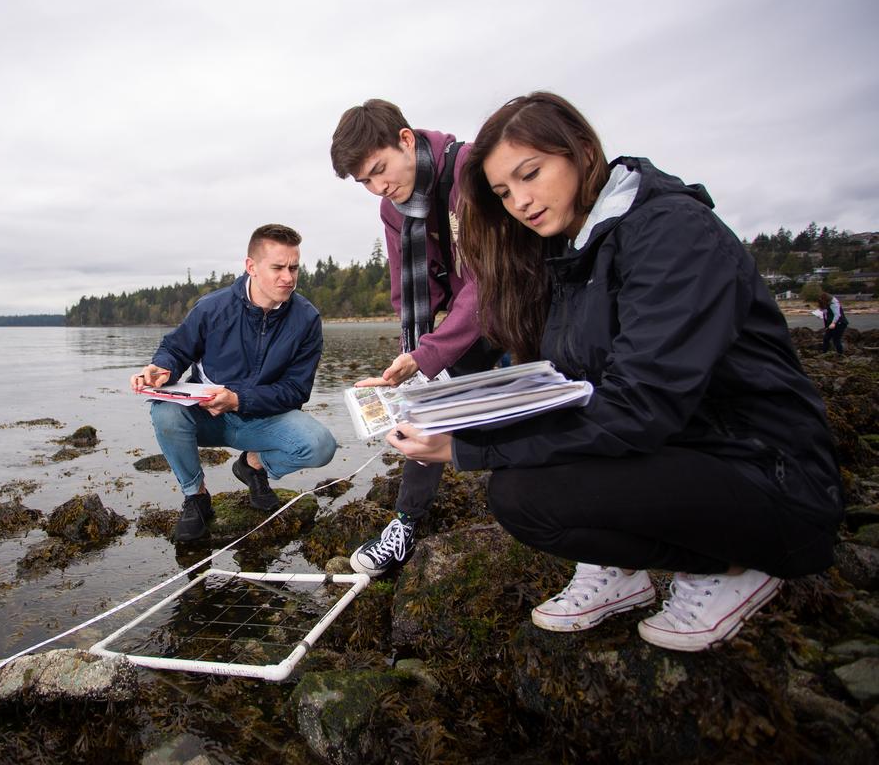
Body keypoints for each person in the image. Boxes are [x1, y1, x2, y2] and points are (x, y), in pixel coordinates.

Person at [388, 92, 843, 652]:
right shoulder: (574, 251)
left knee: (524, 495)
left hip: (766, 476)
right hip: (683, 450)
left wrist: (466, 450)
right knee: (519, 497)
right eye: (504, 193)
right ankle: (620, 572)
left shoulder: (670, 232)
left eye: (531, 174)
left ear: (581, 150)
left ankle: (736, 567)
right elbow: (566, 385)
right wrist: (459, 415)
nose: (521, 202)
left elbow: (636, 408)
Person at [330, 99, 500, 577]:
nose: (379, 187)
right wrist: (412, 357)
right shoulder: (393, 208)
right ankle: (404, 524)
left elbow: (487, 282)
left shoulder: (470, 170)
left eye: (380, 170)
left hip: (517, 301)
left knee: (543, 406)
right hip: (467, 313)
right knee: (422, 404)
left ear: (406, 140)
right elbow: (409, 285)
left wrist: (429, 354)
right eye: (365, 181)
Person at [131, 224, 337, 542]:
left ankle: (252, 464)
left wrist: (238, 399)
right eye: (278, 267)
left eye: (294, 267)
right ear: (251, 267)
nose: (288, 277)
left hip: (263, 419)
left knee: (321, 445)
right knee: (164, 412)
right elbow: (175, 350)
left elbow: (297, 390)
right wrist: (162, 369)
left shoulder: (306, 319)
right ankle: (196, 497)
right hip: (208, 417)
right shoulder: (213, 308)